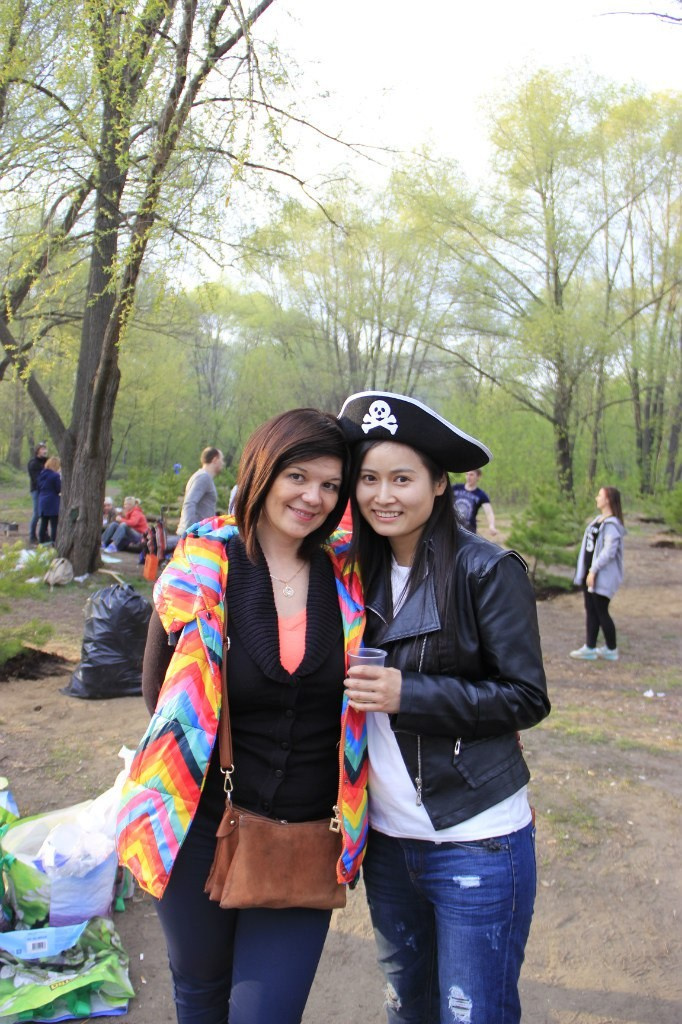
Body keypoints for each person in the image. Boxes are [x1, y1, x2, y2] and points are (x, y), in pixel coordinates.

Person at [116, 408, 368, 1024]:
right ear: (263, 472)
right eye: (297, 477)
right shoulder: (202, 567)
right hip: (199, 825)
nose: (313, 497)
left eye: (330, 485)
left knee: (266, 1013)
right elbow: (159, 694)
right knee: (200, 994)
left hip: (305, 835)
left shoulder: (351, 576)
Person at [337, 390, 550, 1024]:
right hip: (385, 841)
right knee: (408, 1009)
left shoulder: (487, 570)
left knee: (472, 1013)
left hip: (475, 839)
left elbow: (526, 696)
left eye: (402, 479)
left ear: (438, 485)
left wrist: (409, 693)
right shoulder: (352, 574)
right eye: (369, 479)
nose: (383, 496)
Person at [570, 486, 625, 662]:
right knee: (591, 610)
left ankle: (611, 649)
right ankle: (590, 648)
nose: (596, 498)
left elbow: (609, 551)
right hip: (589, 573)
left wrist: (594, 570)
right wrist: (586, 571)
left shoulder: (612, 525)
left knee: (601, 610)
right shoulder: (597, 521)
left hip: (601, 575)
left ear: (608, 500)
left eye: (600, 495)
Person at [176, 446, 225, 535]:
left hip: (200, 533)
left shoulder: (201, 476)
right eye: (221, 460)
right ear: (215, 460)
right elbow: (189, 503)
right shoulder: (203, 477)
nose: (223, 463)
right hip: (196, 535)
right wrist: (191, 531)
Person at [452, 467, 497, 535]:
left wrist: (491, 526)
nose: (468, 477)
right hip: (452, 526)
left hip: (469, 531)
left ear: (478, 476)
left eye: (471, 475)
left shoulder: (481, 495)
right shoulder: (456, 488)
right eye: (467, 474)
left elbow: (489, 512)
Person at [37, 456, 61, 545]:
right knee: (54, 524)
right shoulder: (55, 476)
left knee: (43, 523)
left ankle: (41, 542)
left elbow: (38, 488)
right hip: (52, 501)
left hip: (42, 500)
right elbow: (58, 489)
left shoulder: (41, 474)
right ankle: (54, 542)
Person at [27, 442, 48, 543]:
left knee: (45, 513)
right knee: (37, 513)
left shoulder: (47, 461)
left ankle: (44, 534)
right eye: (42, 449)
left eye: (45, 448)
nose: (44, 451)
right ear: (37, 451)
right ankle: (32, 535)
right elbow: (36, 479)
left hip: (46, 490)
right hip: (36, 490)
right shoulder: (33, 463)